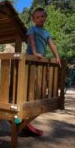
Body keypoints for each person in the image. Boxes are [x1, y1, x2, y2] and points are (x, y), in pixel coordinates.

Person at [24, 8, 61, 136]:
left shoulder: (46, 33)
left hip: (40, 61)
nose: (40, 19)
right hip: (31, 59)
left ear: (45, 18)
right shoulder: (32, 29)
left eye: (42, 16)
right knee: (29, 80)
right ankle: (27, 97)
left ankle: (36, 96)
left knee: (40, 81)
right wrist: (34, 53)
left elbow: (52, 45)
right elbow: (32, 41)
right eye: (37, 17)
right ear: (33, 19)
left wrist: (57, 57)